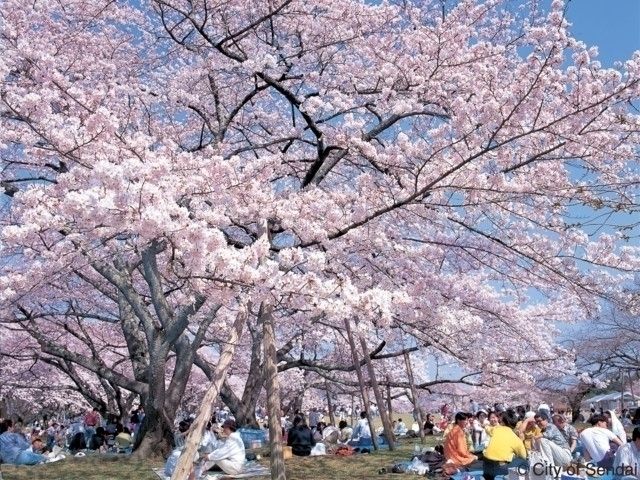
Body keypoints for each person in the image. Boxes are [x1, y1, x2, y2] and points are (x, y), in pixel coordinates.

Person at [483, 409, 528, 480]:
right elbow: (523, 456)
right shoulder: (515, 438)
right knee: (523, 462)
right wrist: (521, 440)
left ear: (503, 422)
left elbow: (487, 429)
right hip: (500, 467)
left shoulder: (496, 429)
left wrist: (485, 426)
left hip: (486, 463)